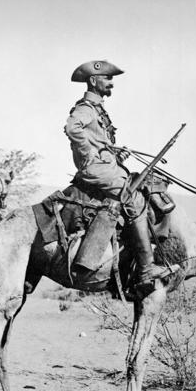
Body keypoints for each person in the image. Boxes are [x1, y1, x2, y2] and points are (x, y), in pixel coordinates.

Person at [64, 60, 169, 283]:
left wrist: (113, 154)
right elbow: (72, 128)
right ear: (93, 80)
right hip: (95, 169)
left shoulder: (97, 109)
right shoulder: (85, 109)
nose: (111, 83)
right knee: (133, 198)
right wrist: (88, 154)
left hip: (105, 166)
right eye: (107, 79)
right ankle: (146, 268)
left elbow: (98, 141)